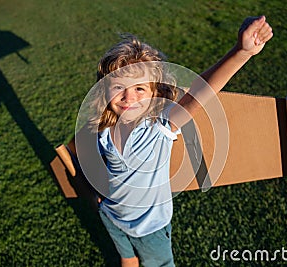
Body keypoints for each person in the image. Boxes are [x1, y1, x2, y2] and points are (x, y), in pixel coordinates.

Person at [90, 16, 273, 267]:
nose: (127, 97)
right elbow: (108, 165)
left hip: (149, 228)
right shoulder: (105, 127)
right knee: (127, 259)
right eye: (118, 86)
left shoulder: (159, 126)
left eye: (139, 89)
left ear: (156, 95)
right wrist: (100, 192)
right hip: (112, 216)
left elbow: (201, 90)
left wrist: (241, 52)